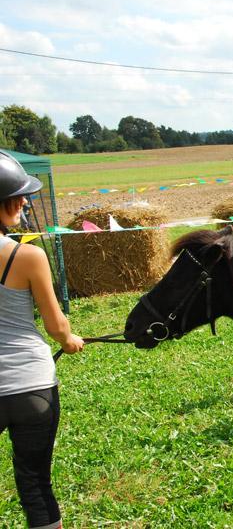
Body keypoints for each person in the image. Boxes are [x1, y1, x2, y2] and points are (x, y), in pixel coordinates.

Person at [0, 150, 84, 529]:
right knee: (35, 486)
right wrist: (69, 341)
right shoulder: (28, 256)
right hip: (30, 387)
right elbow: (56, 326)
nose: (24, 203)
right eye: (18, 197)